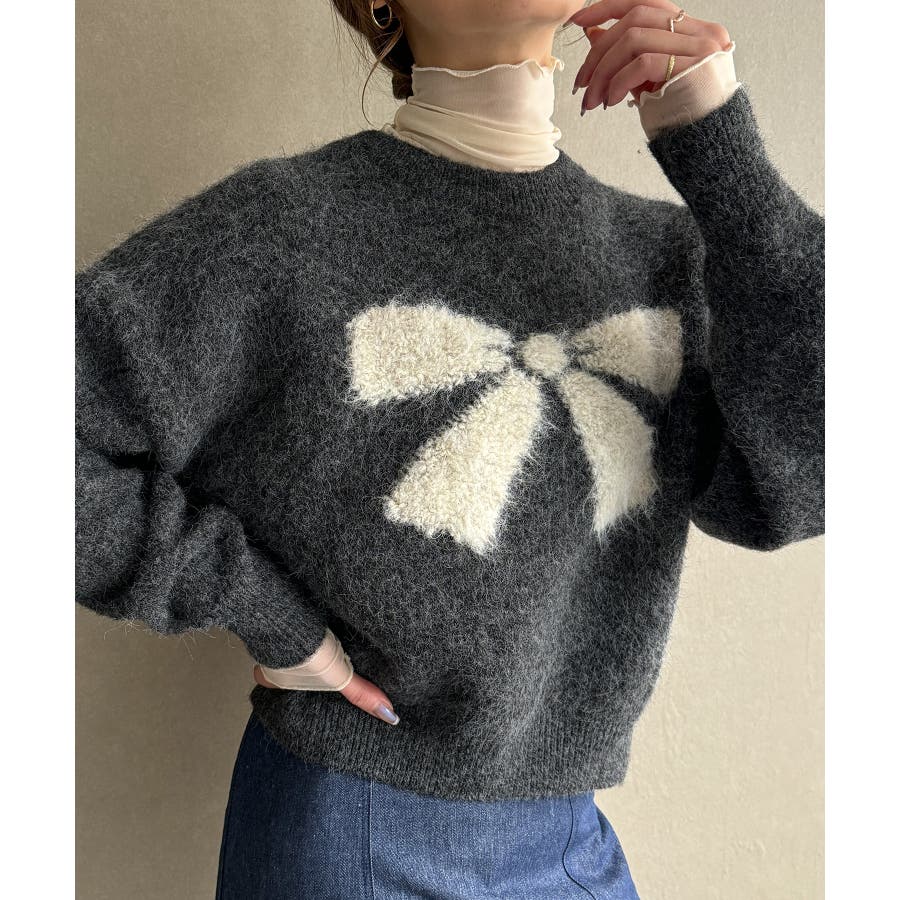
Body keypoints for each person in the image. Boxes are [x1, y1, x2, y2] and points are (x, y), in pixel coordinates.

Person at [74, 1, 824, 897]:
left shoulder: (663, 255)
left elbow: (803, 487)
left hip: (568, 835)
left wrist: (722, 154)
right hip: (352, 822)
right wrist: (259, 610)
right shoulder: (282, 228)